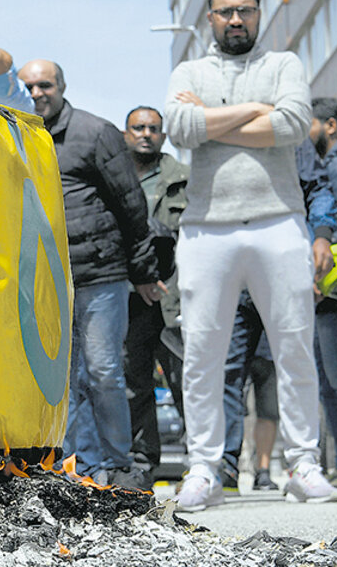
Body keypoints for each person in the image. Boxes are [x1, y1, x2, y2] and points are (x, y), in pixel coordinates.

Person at [164, 0, 337, 510]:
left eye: (244, 10)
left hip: (278, 220)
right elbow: (178, 125)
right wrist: (253, 113)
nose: (235, 20)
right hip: (205, 226)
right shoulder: (189, 70)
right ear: (210, 18)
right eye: (225, 12)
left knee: (293, 348)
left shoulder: (283, 65)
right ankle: (204, 468)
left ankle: (303, 463)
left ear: (258, 13)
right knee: (202, 353)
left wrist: (210, 121)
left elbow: (291, 125)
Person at [18, 59, 163, 488]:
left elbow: (132, 206)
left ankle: (118, 465)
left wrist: (142, 272)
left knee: (102, 372)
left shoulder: (94, 133)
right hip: (49, 281)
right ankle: (81, 467)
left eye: (44, 84)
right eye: (28, 86)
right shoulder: (17, 135)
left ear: (61, 86)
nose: (36, 93)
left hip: (101, 276)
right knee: (63, 382)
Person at [220, 135, 336, 495]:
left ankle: (297, 463)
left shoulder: (292, 137)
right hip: (234, 280)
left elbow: (319, 189)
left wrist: (321, 237)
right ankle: (221, 468)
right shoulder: (220, 131)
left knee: (286, 372)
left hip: (282, 273)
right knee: (225, 374)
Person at [121, 106, 188, 488]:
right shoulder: (115, 177)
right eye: (138, 128)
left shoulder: (183, 180)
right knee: (136, 381)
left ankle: (202, 463)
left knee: (185, 380)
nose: (146, 133)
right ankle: (144, 462)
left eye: (153, 128)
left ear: (163, 135)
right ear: (125, 132)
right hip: (131, 297)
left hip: (174, 295)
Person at [311, 96, 337, 487]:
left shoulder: (332, 167)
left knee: (334, 381)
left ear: (330, 126)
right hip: (328, 285)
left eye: (310, 124)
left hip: (330, 286)